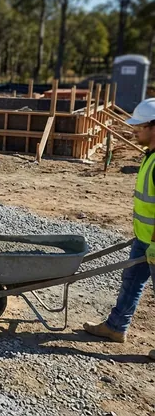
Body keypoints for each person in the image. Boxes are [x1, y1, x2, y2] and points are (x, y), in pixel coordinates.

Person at [83, 98, 155, 362]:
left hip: (154, 243)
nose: (134, 130)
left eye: (140, 126)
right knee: (132, 282)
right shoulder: (150, 156)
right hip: (144, 239)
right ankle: (115, 327)